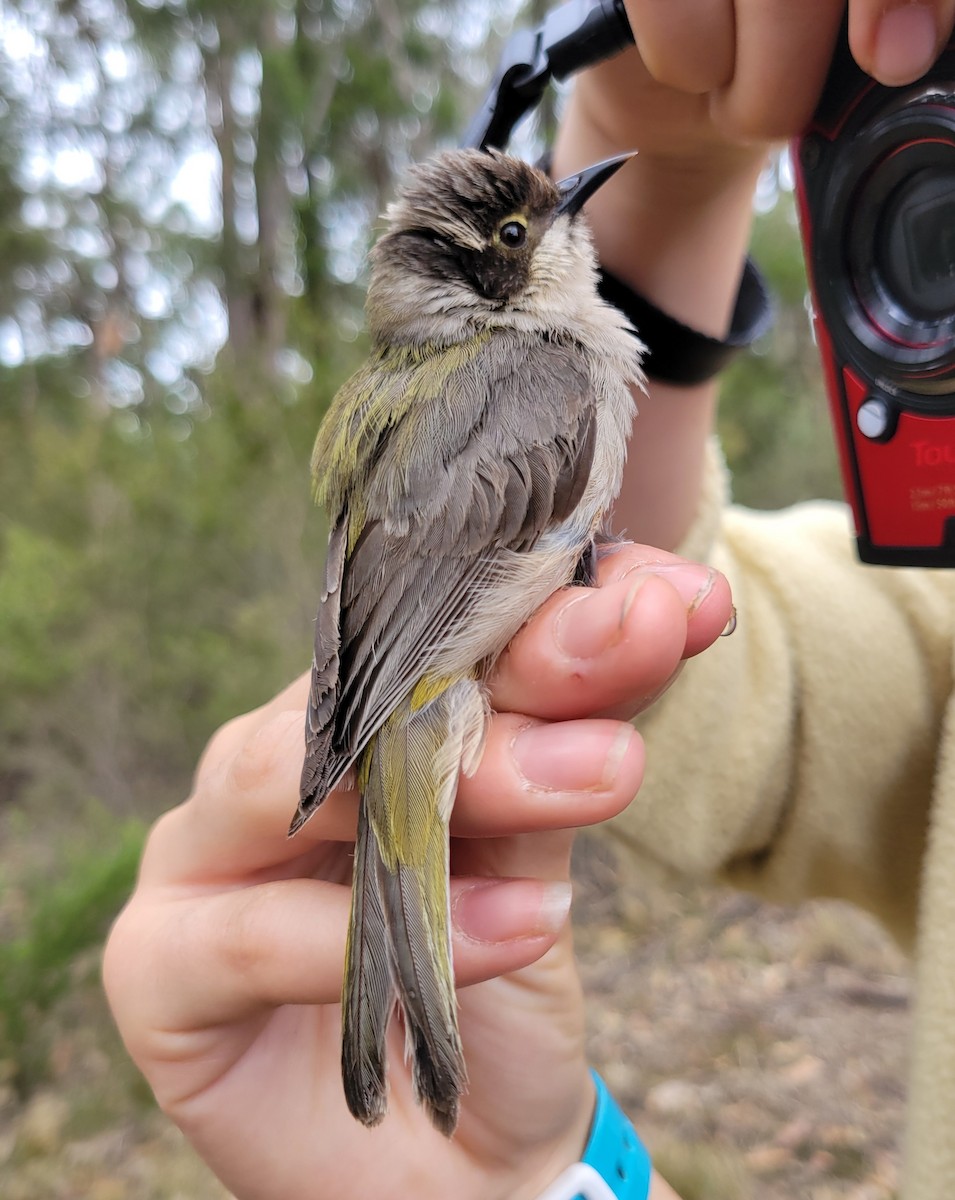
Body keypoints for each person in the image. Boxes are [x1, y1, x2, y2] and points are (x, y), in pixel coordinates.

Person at [103, 3, 955, 1198]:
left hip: (410, 665)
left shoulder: (512, 366)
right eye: (524, 222)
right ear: (487, 272)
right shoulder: (539, 365)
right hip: (429, 666)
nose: (558, 212)